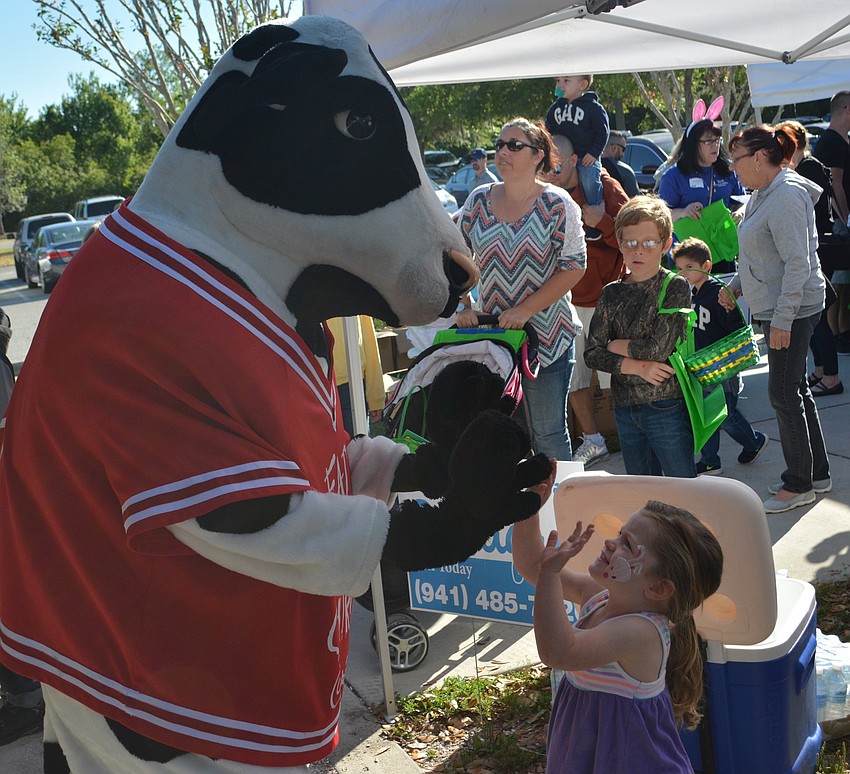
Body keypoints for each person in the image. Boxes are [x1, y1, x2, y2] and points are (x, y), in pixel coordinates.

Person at [511, 468, 723, 774]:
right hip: (588, 745)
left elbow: (558, 652)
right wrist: (528, 509)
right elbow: (531, 565)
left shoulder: (641, 632)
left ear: (658, 588)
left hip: (628, 759)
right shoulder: (598, 595)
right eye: (620, 534)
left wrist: (551, 575)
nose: (611, 543)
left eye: (627, 544)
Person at [457, 117, 586, 461]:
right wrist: (463, 305)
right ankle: (520, 511)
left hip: (548, 337)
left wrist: (526, 309)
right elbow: (455, 258)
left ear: (538, 156)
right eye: (499, 145)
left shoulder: (558, 204)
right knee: (504, 434)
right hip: (497, 340)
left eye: (515, 145)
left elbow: (574, 266)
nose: (503, 152)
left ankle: (560, 510)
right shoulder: (477, 200)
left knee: (548, 434)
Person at [722, 124, 830, 514]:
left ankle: (798, 482)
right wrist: (736, 285)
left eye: (736, 159)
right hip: (784, 306)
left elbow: (797, 264)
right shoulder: (764, 193)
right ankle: (815, 474)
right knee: (794, 391)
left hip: (794, 308)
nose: (732, 167)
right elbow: (760, 254)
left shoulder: (783, 195)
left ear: (758, 158)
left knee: (782, 395)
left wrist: (782, 320)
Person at [584, 195, 697, 477]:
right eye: (630, 243)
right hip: (624, 407)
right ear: (619, 244)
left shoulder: (675, 285)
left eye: (648, 243)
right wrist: (635, 366)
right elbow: (592, 353)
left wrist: (615, 345)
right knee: (641, 487)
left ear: (666, 245)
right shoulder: (612, 292)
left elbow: (658, 348)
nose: (639, 251)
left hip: (666, 404)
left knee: (682, 485)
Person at [548, 134, 628, 467]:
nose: (547, 172)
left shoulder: (603, 187)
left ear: (572, 160)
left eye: (553, 165)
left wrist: (603, 222)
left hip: (609, 300)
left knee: (620, 375)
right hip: (564, 301)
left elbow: (639, 236)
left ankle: (632, 434)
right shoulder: (542, 195)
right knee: (575, 378)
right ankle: (593, 440)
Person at [672, 238, 768, 475]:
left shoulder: (718, 294)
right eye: (679, 268)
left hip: (724, 367)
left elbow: (735, 328)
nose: (682, 273)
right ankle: (710, 460)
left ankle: (754, 441)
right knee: (707, 413)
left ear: (706, 266)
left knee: (726, 415)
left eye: (687, 267)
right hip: (702, 366)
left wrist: (731, 309)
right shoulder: (692, 295)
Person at [778, 119, 844, 397]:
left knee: (817, 317)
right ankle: (821, 370)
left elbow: (808, 212)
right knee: (812, 317)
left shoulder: (808, 169)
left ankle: (831, 376)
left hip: (815, 251)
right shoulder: (799, 169)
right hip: (807, 250)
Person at [658, 116, 745, 274]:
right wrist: (683, 212)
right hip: (687, 257)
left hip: (724, 251)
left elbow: (742, 201)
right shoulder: (674, 176)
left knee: (724, 296)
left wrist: (740, 212)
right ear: (693, 144)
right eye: (708, 141)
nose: (715, 146)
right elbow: (660, 216)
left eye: (718, 140)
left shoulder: (727, 172)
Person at [545, 74, 610, 240]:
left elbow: (602, 133)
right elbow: (548, 131)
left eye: (566, 81)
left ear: (582, 85)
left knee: (589, 182)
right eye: (558, 81)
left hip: (587, 156)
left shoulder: (593, 107)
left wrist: (594, 153)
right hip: (563, 159)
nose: (560, 84)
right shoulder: (555, 108)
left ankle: (593, 222)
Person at [327, 315, 385, 436]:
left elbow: (368, 339)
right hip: (316, 384)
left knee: (358, 447)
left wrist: (376, 396)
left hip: (351, 385)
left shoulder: (355, 296)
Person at [813, 90, 850, 235]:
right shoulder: (831, 142)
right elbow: (834, 185)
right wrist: (847, 220)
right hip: (839, 222)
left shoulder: (841, 139)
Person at [601, 130, 639, 197]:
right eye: (623, 149)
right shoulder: (625, 171)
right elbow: (634, 201)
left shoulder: (588, 167)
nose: (623, 154)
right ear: (614, 148)